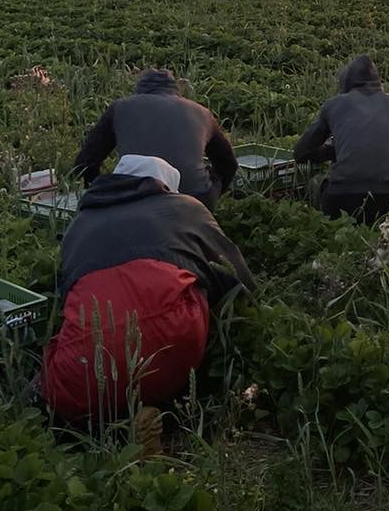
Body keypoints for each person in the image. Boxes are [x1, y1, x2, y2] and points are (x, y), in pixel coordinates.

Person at [40, 154, 255, 425]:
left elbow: (65, 296)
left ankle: (115, 420)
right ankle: (158, 404)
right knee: (193, 283)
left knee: (64, 364)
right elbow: (236, 276)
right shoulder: (185, 207)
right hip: (174, 339)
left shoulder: (79, 223)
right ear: (166, 186)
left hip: (83, 368)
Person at [293, 55, 389, 222]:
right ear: (379, 83)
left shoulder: (333, 104)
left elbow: (301, 153)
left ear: (346, 84)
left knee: (315, 183)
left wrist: (332, 153)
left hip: (342, 196)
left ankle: (327, 231)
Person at [73, 68, 237, 207]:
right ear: (175, 90)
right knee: (210, 176)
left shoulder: (120, 107)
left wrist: (103, 189)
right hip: (193, 199)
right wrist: (215, 191)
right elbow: (228, 164)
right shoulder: (202, 112)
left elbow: (85, 163)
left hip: (133, 196)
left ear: (140, 90)